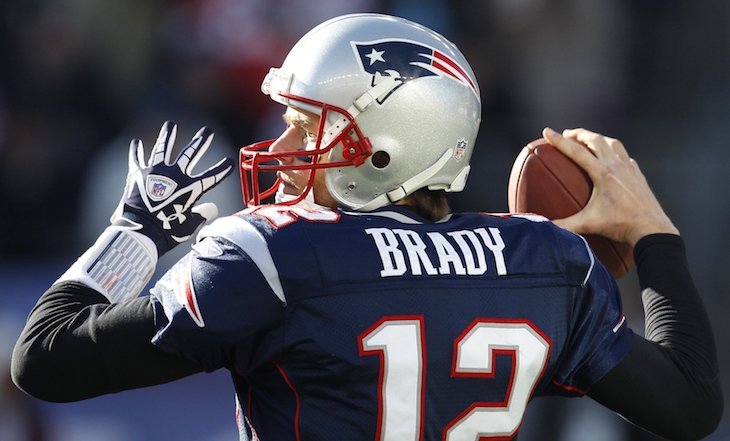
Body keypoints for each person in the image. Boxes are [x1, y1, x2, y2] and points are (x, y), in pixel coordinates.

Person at [11, 13, 722, 441]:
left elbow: (43, 358)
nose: (282, 148)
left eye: (307, 127)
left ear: (384, 148)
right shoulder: (546, 260)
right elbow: (690, 406)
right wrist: (654, 234)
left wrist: (133, 233)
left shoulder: (273, 258)